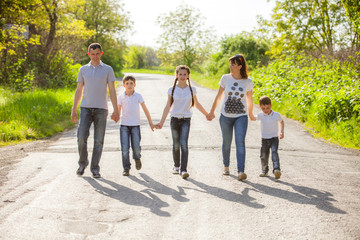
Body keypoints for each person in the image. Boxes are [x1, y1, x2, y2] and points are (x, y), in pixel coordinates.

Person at [71, 43, 119, 178]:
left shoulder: (108, 69)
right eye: (93, 54)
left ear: (101, 54)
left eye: (98, 54)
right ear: (89, 54)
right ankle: (82, 163)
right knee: (81, 137)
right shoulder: (83, 69)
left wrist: (116, 110)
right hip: (85, 108)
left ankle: (95, 168)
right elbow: (79, 90)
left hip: (101, 109)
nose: (95, 56)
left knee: (98, 141)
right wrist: (74, 109)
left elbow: (112, 90)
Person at [207, 54, 255, 181]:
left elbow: (250, 100)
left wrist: (250, 114)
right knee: (226, 142)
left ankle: (241, 171)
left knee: (240, 142)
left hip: (241, 116)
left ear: (240, 66)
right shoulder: (225, 78)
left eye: (233, 64)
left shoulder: (248, 82)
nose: (230, 66)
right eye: (230, 64)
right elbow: (218, 96)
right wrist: (211, 112)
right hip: (225, 116)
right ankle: (226, 166)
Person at [156, 65, 208, 179]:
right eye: (180, 74)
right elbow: (167, 106)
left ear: (188, 76)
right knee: (176, 145)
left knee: (184, 144)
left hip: (186, 120)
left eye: (185, 74)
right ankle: (176, 166)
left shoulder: (192, 89)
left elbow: (197, 104)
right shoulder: (172, 90)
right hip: (174, 119)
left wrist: (207, 114)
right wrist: (161, 122)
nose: (182, 76)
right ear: (176, 75)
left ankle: (184, 169)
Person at [117, 75, 155, 176]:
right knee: (125, 148)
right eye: (127, 83)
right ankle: (126, 168)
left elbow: (145, 110)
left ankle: (137, 158)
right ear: (124, 85)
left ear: (135, 84)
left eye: (131, 83)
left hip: (135, 125)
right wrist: (115, 116)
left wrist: (151, 123)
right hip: (124, 125)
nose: (129, 85)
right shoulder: (120, 97)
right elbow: (118, 111)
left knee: (136, 147)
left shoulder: (138, 96)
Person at [253, 96, 284, 179]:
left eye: (267, 107)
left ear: (271, 105)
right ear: (260, 107)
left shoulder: (276, 115)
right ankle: (264, 170)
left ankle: (276, 170)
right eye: (263, 108)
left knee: (274, 153)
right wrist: (248, 111)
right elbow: (253, 118)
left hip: (274, 138)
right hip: (264, 138)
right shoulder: (260, 115)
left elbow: (281, 122)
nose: (266, 110)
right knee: (263, 155)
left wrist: (281, 132)